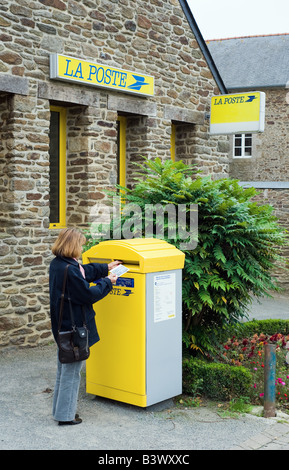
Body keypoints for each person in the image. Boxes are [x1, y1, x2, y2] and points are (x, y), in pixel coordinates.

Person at [49, 228, 120, 425]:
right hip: (73, 328)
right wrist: (108, 282)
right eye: (80, 244)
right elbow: (87, 295)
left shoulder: (59, 264)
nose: (81, 248)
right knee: (71, 374)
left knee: (63, 370)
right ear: (73, 245)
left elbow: (84, 272)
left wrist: (106, 268)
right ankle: (66, 417)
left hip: (62, 325)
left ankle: (60, 411)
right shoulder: (70, 269)